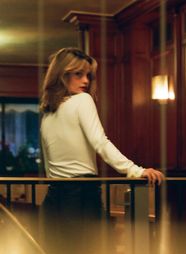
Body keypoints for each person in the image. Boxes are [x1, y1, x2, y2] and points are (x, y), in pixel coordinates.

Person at [39, 47, 164, 254]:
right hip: (81, 195)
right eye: (78, 74)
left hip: (54, 197)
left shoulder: (47, 113)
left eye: (88, 75)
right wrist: (135, 170)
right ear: (62, 74)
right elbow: (100, 142)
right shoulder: (83, 100)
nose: (86, 81)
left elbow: (49, 159)